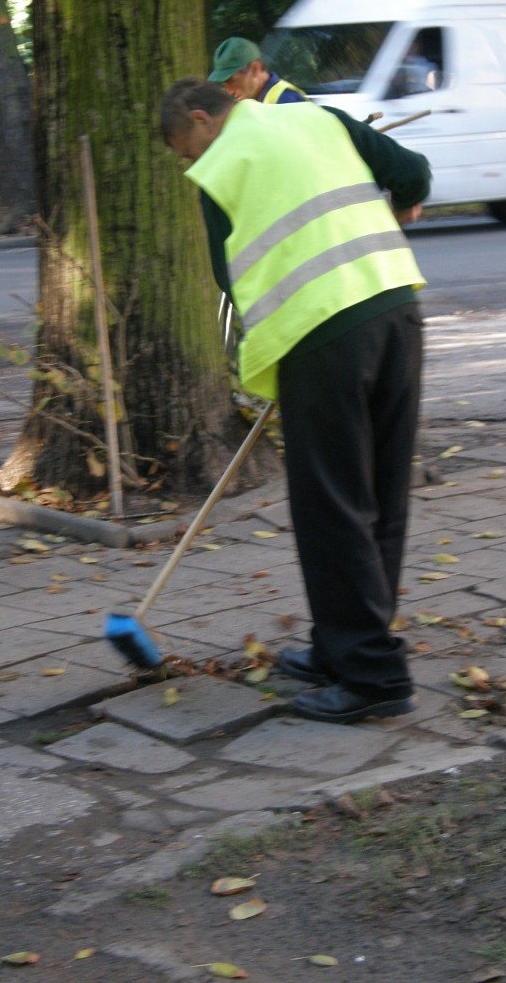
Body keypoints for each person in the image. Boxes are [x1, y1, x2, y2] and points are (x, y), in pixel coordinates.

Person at [160, 78, 430, 724]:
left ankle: (372, 677)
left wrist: (269, 363)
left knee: (332, 509)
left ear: (203, 118)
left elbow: (234, 286)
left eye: (185, 149)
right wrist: (405, 208)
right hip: (398, 309)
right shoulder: (317, 119)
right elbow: (412, 172)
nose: (191, 163)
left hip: (322, 338)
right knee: (377, 498)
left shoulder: (225, 166)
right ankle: (344, 646)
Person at [208, 37, 306, 104]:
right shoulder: (252, 103)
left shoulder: (287, 101)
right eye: (224, 84)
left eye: (232, 81)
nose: (229, 92)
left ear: (255, 68)